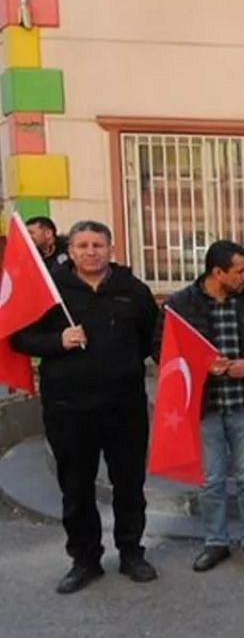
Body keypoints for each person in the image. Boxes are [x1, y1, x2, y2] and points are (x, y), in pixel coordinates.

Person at [11, 221, 160, 594]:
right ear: (71, 250)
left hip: (123, 405)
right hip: (68, 406)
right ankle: (85, 559)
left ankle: (131, 552)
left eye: (98, 244)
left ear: (110, 248)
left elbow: (149, 338)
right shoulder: (50, 290)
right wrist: (57, 341)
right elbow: (20, 338)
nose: (90, 251)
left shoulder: (134, 290)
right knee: (75, 486)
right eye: (82, 245)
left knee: (129, 483)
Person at [165, 240, 244, 572]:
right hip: (205, 406)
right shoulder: (181, 304)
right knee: (211, 480)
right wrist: (201, 365)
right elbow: (163, 347)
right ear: (217, 272)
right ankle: (215, 541)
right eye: (240, 270)